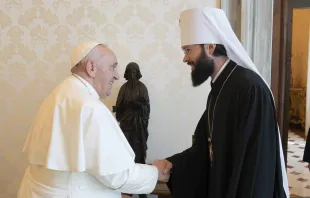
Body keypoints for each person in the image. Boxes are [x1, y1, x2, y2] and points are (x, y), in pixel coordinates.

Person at [155, 7, 289, 198]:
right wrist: (172, 164)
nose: (185, 58)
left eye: (188, 50)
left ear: (210, 47)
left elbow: (257, 167)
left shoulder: (249, 88)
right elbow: (204, 149)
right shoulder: (219, 87)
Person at [17, 42, 171, 198]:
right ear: (91, 68)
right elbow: (117, 175)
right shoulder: (90, 107)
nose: (117, 75)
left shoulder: (59, 93)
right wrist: (155, 173)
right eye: (112, 67)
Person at [114, 62, 150, 198]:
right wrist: (127, 106)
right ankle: (127, 189)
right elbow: (118, 108)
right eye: (130, 72)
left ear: (138, 73)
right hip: (127, 126)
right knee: (126, 155)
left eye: (135, 72)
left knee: (139, 154)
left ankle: (141, 190)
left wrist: (139, 106)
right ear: (127, 73)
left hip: (139, 127)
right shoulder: (123, 88)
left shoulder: (142, 88)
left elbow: (147, 108)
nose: (132, 74)